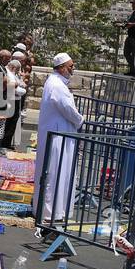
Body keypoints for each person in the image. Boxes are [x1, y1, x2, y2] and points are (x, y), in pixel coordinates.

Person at [34, 52, 86, 223]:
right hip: (57, 136)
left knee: (58, 172)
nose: (73, 69)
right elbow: (67, 108)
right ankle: (50, 212)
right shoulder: (57, 85)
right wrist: (80, 120)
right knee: (55, 172)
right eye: (70, 66)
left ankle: (54, 210)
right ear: (62, 68)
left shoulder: (57, 82)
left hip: (58, 132)